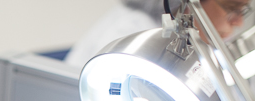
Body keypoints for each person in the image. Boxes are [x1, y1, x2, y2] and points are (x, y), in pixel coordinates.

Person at [65, 0, 252, 68]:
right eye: (232, 9)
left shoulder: (186, 40)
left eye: (243, 11)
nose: (238, 22)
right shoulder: (133, 35)